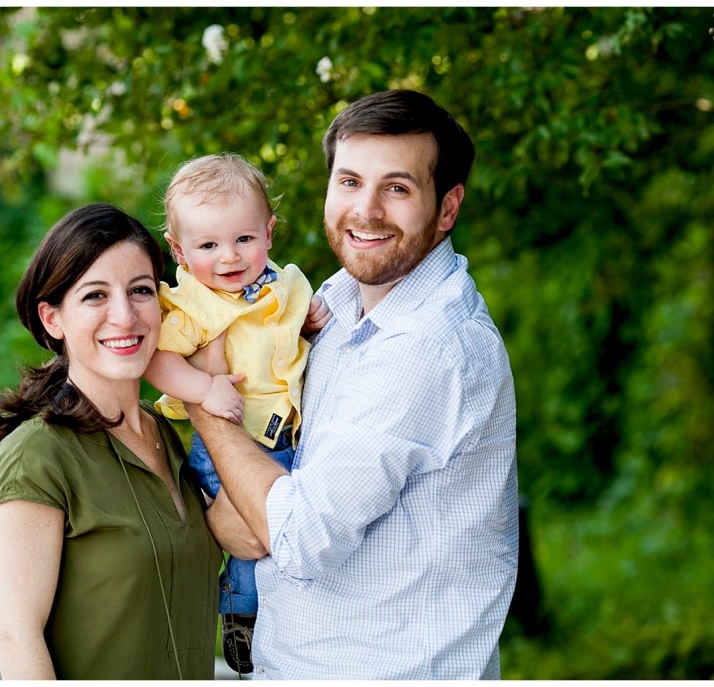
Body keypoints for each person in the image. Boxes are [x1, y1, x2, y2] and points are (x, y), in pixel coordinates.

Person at [187, 90, 519, 679]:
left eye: (397, 188)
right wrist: (245, 508)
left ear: (447, 208)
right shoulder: (332, 307)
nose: (365, 211)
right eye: (349, 181)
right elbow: (260, 512)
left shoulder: (428, 345)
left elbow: (295, 535)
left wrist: (207, 408)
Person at [0, 203, 223, 680]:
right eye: (95, 296)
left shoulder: (165, 433)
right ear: (53, 319)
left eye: (141, 291)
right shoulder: (36, 453)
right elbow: (15, 637)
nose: (124, 316)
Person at [142, 152, 330, 674]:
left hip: (286, 434)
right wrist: (203, 388)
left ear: (268, 233)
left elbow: (290, 334)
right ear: (179, 252)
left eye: (244, 239)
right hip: (225, 445)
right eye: (207, 245)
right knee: (252, 543)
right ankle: (239, 612)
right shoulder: (193, 306)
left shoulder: (285, 284)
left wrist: (307, 323)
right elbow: (155, 359)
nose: (228, 256)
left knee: (297, 532)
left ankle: (287, 622)